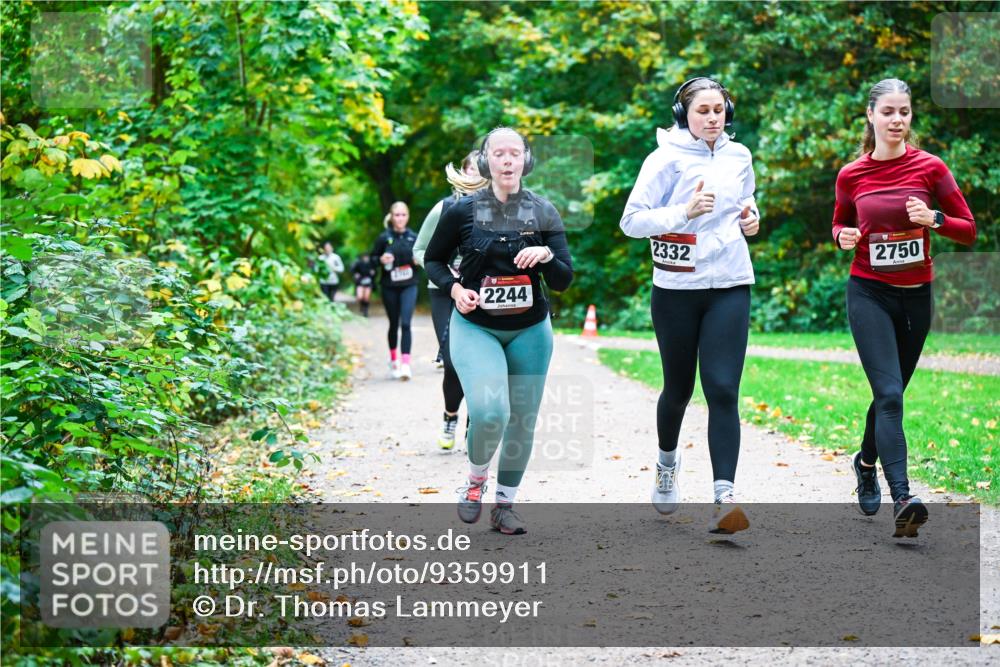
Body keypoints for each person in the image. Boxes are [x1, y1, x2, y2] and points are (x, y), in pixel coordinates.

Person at [832, 78, 976, 537]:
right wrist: (843, 236)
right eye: (889, 112)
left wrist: (934, 218)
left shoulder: (931, 168)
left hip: (916, 296)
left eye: (905, 112)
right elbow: (839, 222)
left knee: (891, 392)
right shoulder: (851, 174)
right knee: (890, 394)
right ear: (870, 116)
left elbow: (968, 229)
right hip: (868, 292)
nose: (897, 120)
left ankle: (865, 460)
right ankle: (904, 497)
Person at [620, 77, 760, 534]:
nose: (713, 118)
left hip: (731, 282)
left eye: (719, 110)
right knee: (678, 390)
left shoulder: (740, 156)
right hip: (677, 289)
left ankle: (725, 498)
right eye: (703, 110)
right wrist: (684, 212)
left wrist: (751, 215)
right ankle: (666, 464)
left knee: (722, 389)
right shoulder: (664, 159)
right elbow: (632, 221)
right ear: (684, 114)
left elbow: (746, 198)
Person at [424, 127, 573, 535]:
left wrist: (545, 255)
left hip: (530, 329)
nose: (507, 160)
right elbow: (433, 262)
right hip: (476, 327)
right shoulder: (462, 211)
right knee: (491, 413)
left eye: (515, 153)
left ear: (526, 160)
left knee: (522, 419)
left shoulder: (544, 211)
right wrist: (455, 290)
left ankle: (505, 505)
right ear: (487, 162)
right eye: (499, 153)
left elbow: (563, 279)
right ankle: (475, 482)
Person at [414, 151, 489, 449]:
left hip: (482, 291)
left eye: (482, 172)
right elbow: (421, 251)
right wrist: (449, 273)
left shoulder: (499, 210)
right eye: (472, 170)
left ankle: (474, 426)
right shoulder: (445, 208)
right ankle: (450, 416)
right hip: (444, 290)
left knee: (481, 361)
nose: (476, 177)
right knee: (454, 360)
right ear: (462, 173)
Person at [371, 202, 419, 380]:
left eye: (403, 215)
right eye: (397, 215)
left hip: (409, 285)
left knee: (406, 323)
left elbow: (426, 257)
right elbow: (372, 259)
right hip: (389, 286)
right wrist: (380, 259)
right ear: (391, 217)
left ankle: (406, 364)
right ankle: (394, 360)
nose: (400, 218)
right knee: (393, 324)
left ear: (408, 216)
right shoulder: (383, 238)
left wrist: (417, 261)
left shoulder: (414, 237)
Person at [350, 253, 377, 317]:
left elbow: (375, 273)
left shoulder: (371, 264)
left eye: (367, 257)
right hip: (360, 282)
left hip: (368, 283)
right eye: (364, 257)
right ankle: (362, 305)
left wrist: (373, 273)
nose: (366, 258)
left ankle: (366, 311)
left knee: (366, 297)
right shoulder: (358, 263)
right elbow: (352, 270)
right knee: (360, 297)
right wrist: (356, 274)